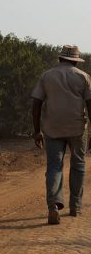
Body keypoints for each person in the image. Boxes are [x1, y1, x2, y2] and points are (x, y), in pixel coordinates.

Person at [31, 45, 91, 224]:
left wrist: (37, 131)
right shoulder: (84, 77)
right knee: (78, 164)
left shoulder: (47, 76)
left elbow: (36, 104)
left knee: (54, 166)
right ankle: (75, 206)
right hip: (77, 128)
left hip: (52, 127)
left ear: (60, 59)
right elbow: (90, 105)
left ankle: (53, 206)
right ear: (75, 61)